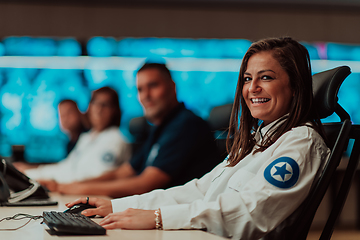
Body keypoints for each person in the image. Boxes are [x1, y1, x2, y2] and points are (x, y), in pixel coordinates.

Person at [66, 37, 331, 239]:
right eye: (248, 78)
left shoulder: (300, 142)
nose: (252, 88)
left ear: (295, 87)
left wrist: (158, 218)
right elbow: (200, 190)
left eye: (267, 77)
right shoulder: (259, 141)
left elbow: (250, 212)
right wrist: (118, 206)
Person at [54, 63, 221, 198]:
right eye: (140, 89)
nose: (146, 95)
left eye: (153, 86)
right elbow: (123, 173)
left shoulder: (186, 125)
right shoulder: (159, 129)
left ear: (172, 87)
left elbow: (145, 184)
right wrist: (75, 186)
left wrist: (76, 189)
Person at [14, 87, 131, 184]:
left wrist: (37, 177)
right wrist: (29, 172)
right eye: (95, 103)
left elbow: (92, 178)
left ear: (115, 110)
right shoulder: (88, 137)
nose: (98, 110)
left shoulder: (115, 139)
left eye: (105, 105)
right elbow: (67, 167)